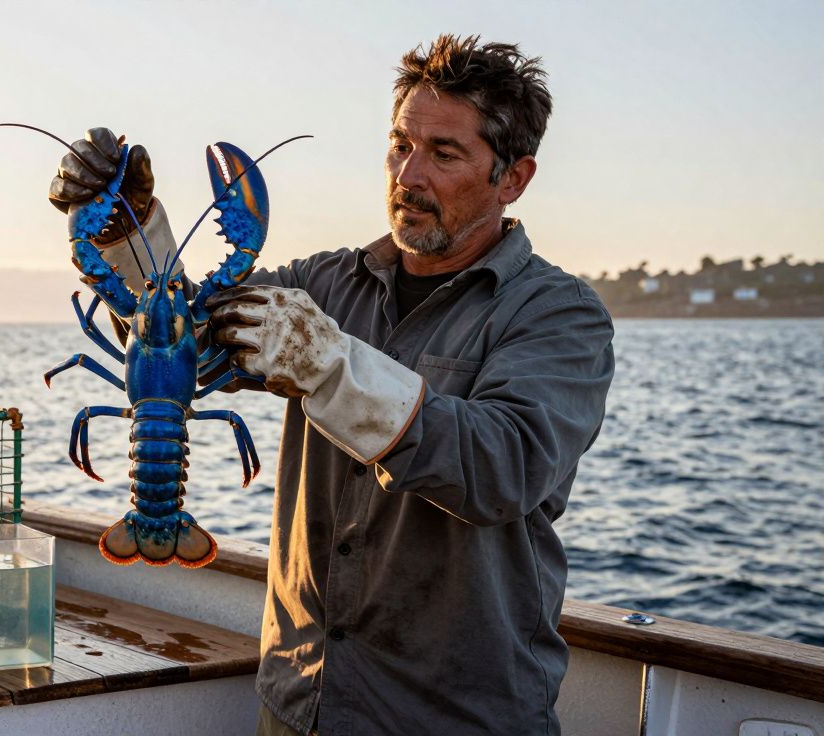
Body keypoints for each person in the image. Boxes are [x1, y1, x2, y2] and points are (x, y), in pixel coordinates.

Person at [48, 34, 614, 736]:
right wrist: (125, 227)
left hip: (456, 718)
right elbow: (184, 329)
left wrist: (333, 368)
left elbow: (506, 467)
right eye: (399, 145)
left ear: (513, 178)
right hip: (298, 699)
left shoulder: (558, 315)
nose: (409, 174)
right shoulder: (322, 283)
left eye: (443, 153)